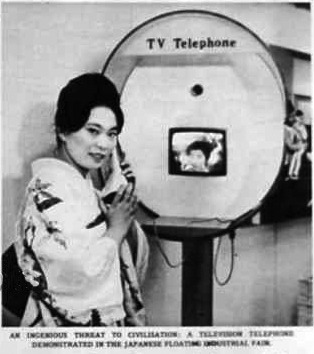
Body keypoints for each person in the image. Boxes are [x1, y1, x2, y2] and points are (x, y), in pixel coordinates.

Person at [12, 73, 149, 326]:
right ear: (64, 130)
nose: (104, 144)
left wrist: (115, 201)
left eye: (112, 133)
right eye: (93, 130)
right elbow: (74, 271)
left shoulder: (84, 188)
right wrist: (116, 229)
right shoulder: (50, 188)